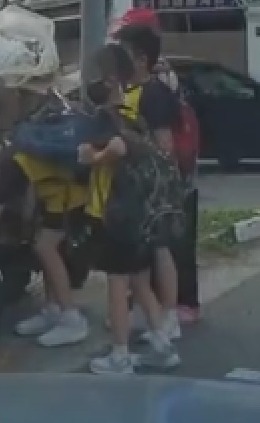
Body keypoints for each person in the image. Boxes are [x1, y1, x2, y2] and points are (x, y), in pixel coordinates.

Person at [82, 44, 181, 375]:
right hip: (141, 213)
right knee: (140, 281)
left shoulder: (104, 116)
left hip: (117, 213)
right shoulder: (132, 114)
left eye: (95, 75)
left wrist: (93, 158)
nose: (90, 81)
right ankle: (162, 345)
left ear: (109, 79)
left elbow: (116, 147)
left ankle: (120, 355)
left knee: (117, 283)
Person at [111, 10, 201, 325]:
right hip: (145, 185)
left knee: (163, 250)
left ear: (139, 57)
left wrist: (128, 143)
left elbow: (164, 147)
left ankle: (170, 313)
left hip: (158, 187)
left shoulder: (155, 92)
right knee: (149, 252)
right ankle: (153, 309)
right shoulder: (135, 90)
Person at [0, 89, 92, 348]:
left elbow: (6, 197)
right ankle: (54, 309)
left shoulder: (18, 148)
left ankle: (71, 318)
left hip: (66, 198)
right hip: (65, 195)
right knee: (50, 248)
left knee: (45, 247)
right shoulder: (34, 134)